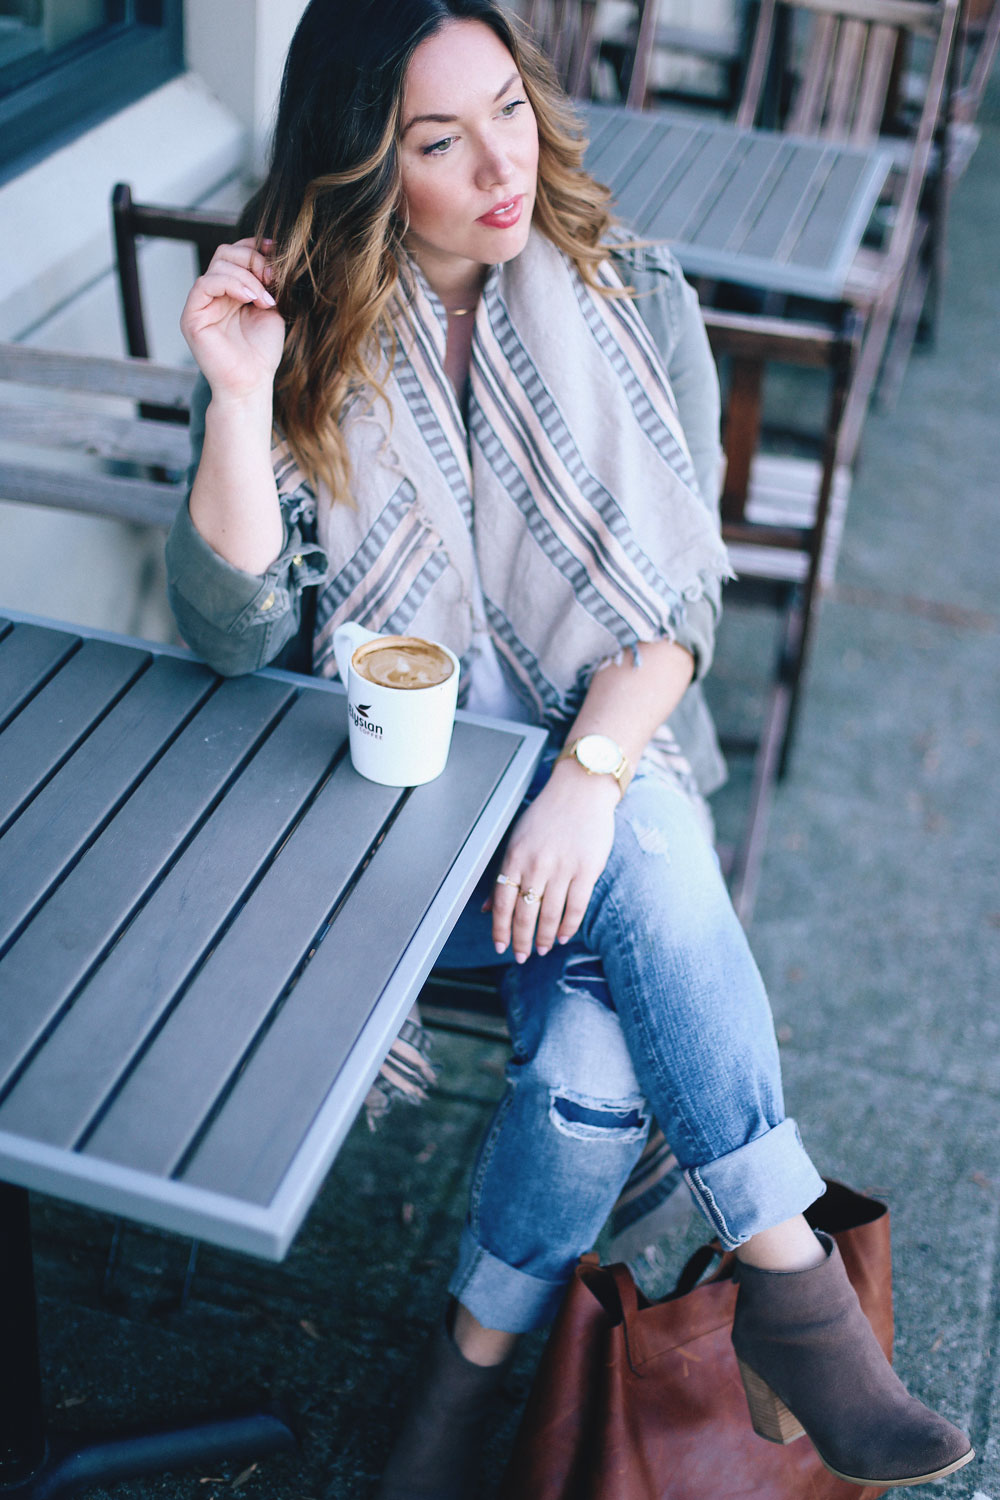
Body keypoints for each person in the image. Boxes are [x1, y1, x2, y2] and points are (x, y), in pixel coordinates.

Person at [165, 2, 974, 1496]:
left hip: (589, 825)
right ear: (363, 165)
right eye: (436, 139)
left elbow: (675, 622)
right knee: (642, 857)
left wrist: (581, 786)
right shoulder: (305, 327)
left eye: (509, 112)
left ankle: (464, 1386)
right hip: (392, 840)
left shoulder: (630, 298)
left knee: (601, 1001)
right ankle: (791, 1286)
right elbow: (228, 631)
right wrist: (234, 402)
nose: (498, 165)